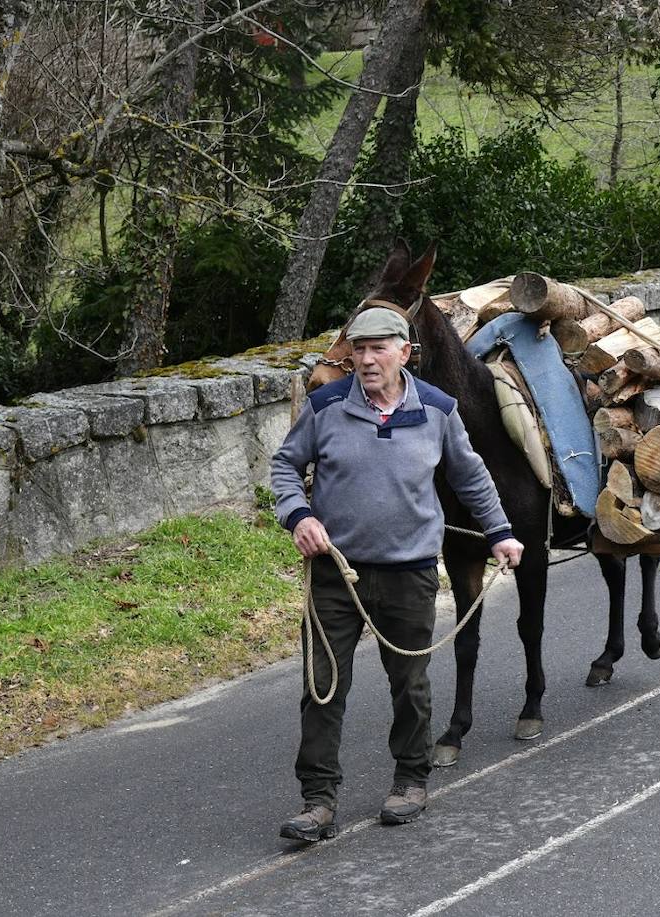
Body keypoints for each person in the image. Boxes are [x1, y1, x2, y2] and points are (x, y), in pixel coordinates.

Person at [269, 306, 525, 842]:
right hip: (335, 573)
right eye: (359, 349)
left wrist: (499, 531)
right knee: (322, 686)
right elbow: (285, 465)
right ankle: (317, 802)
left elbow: (470, 474)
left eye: (378, 348)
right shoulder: (326, 406)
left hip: (410, 573)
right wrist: (299, 515)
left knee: (409, 683)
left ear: (405, 352)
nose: (366, 359)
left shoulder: (436, 409)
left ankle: (410, 781)